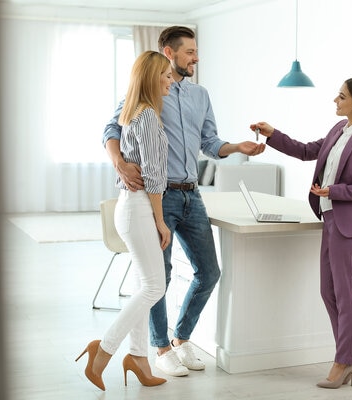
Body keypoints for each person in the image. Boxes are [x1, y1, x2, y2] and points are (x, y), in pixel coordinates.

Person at [102, 26, 265, 377]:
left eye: (196, 51)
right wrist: (119, 161)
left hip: (192, 195)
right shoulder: (148, 91)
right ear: (168, 52)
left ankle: (181, 338)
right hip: (156, 198)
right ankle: (160, 348)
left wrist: (236, 147)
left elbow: (210, 143)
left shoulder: (200, 95)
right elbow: (112, 129)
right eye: (190, 51)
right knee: (158, 277)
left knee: (209, 272)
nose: (196, 57)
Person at [250, 77, 352, 389]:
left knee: (345, 293)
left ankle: (344, 361)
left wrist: (334, 191)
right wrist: (273, 135)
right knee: (328, 292)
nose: (335, 101)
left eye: (341, 97)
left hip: (351, 226)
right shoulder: (337, 131)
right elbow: (304, 151)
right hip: (330, 220)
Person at [76, 51, 175, 391]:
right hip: (138, 208)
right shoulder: (147, 117)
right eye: (165, 74)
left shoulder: (136, 114)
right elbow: (154, 176)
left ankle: (138, 359)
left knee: (142, 284)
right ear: (151, 77)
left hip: (131, 206)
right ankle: (102, 350)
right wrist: (161, 221)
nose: (170, 79)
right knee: (154, 287)